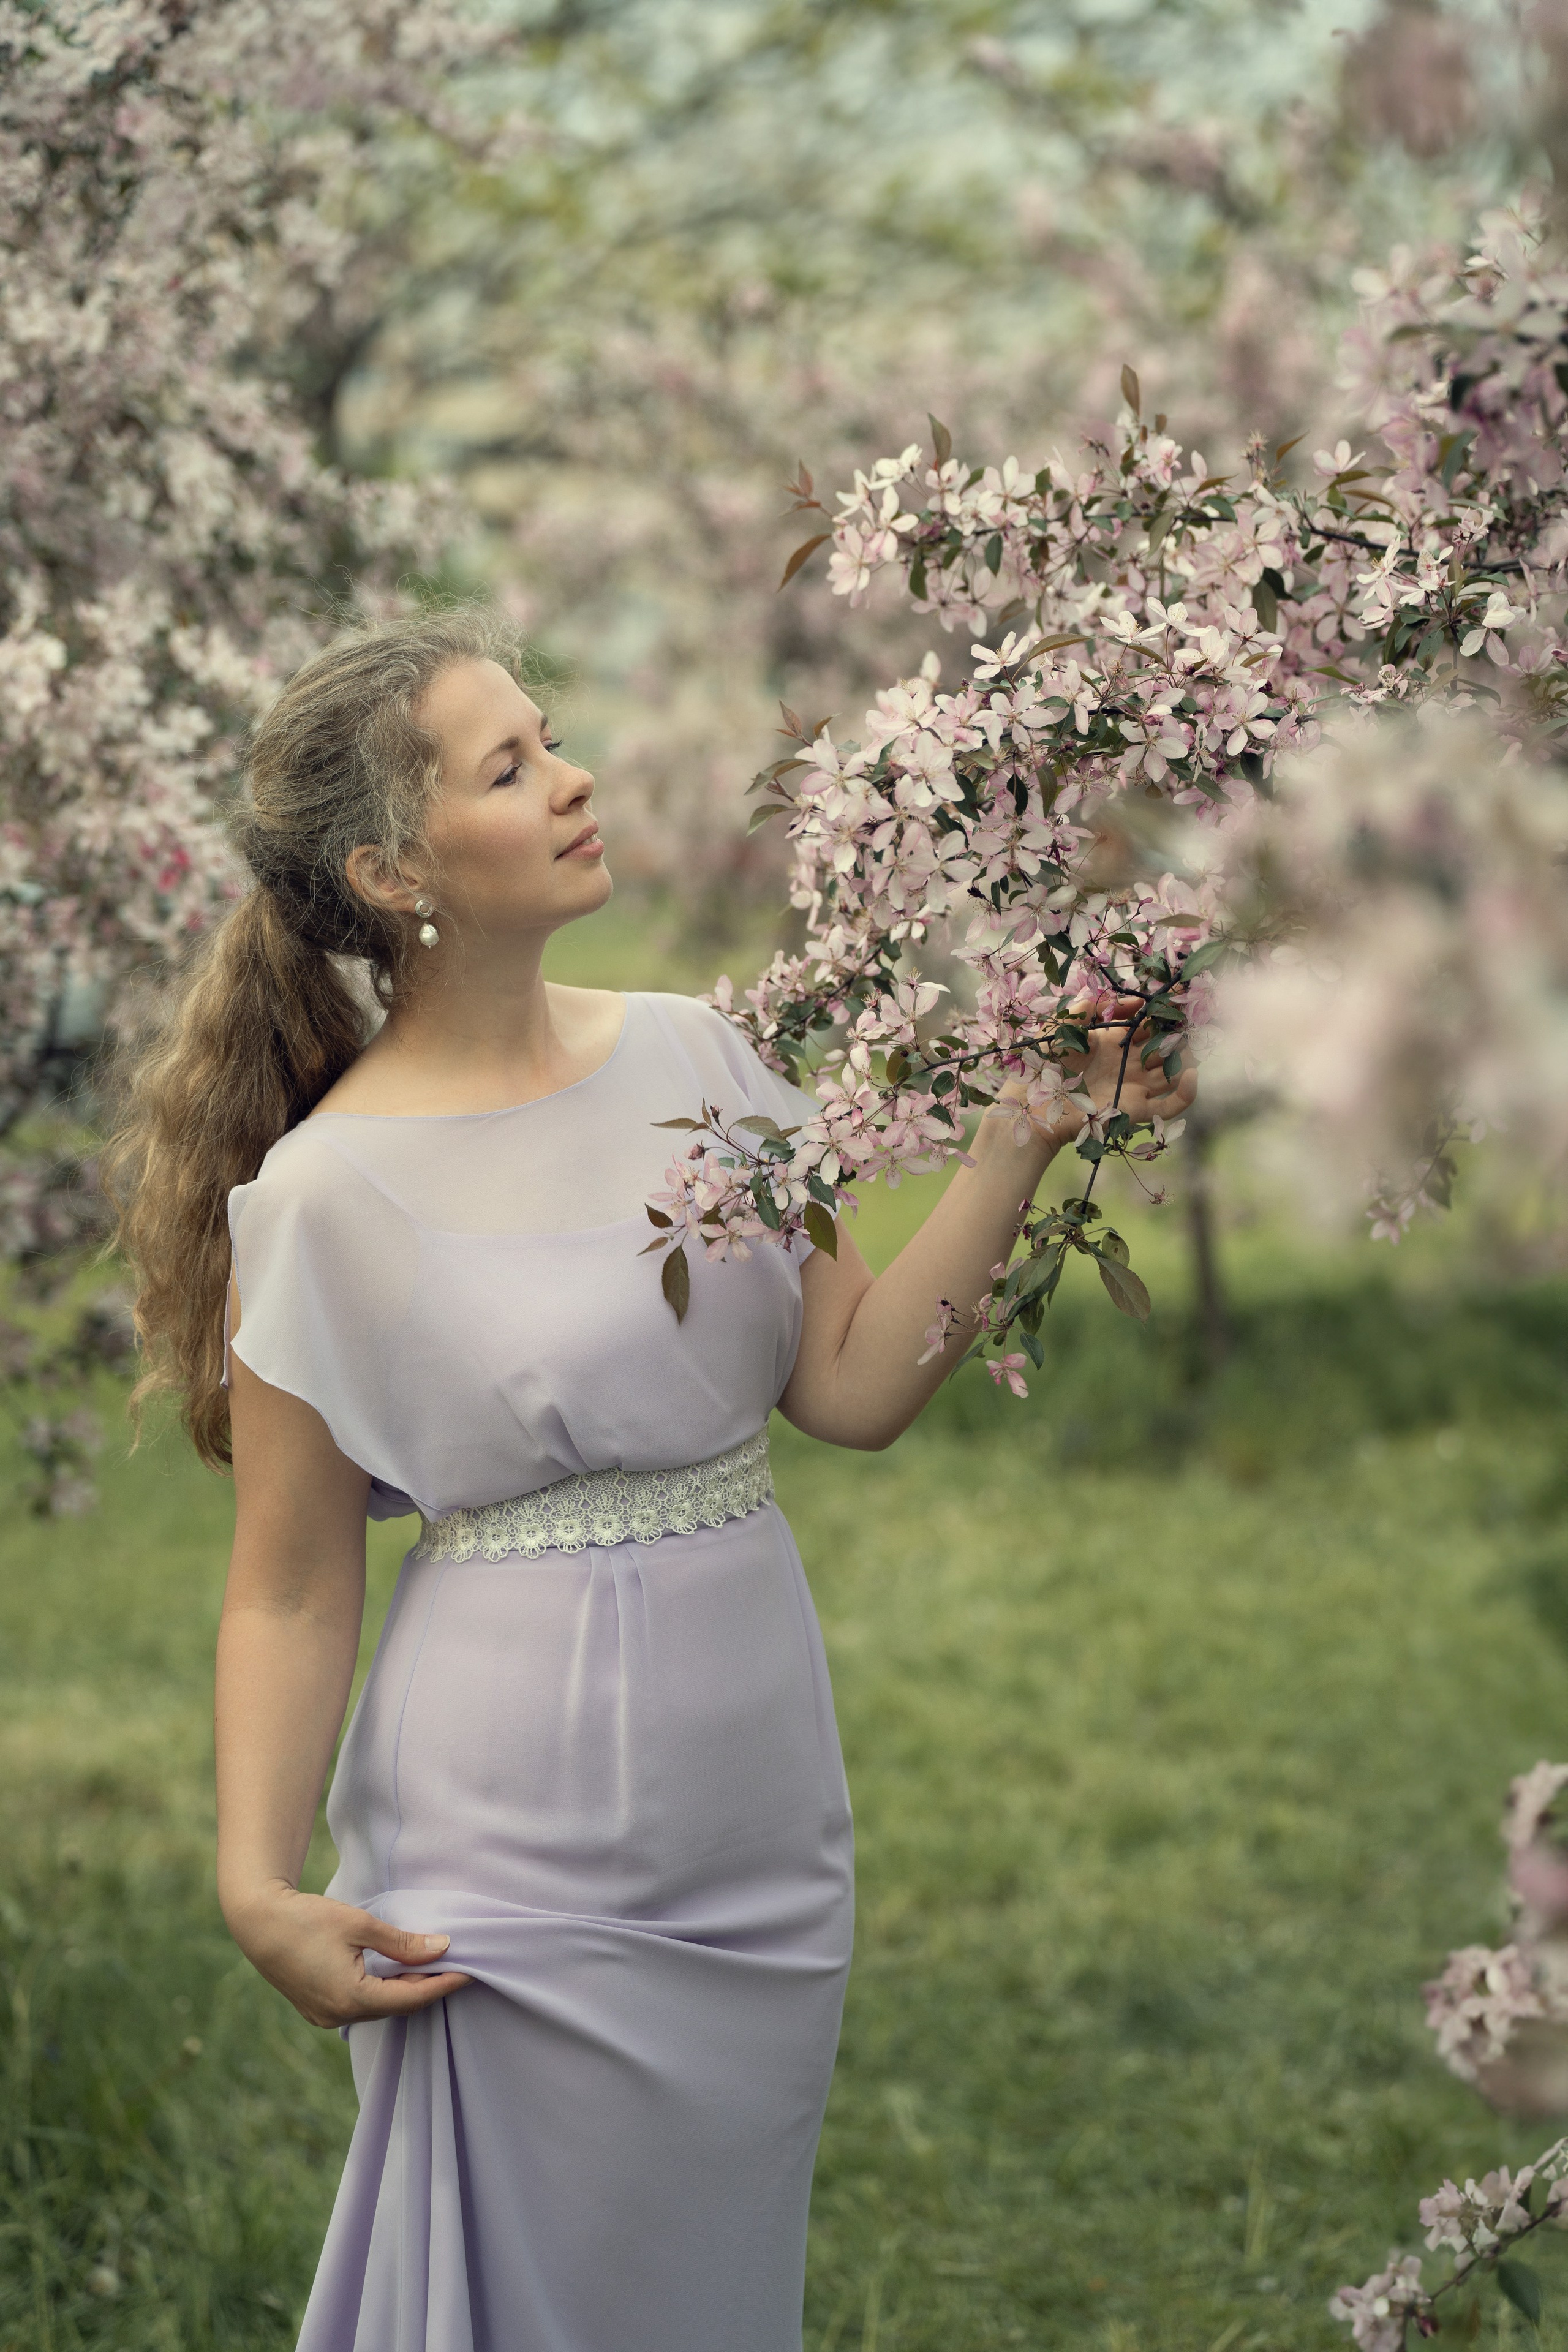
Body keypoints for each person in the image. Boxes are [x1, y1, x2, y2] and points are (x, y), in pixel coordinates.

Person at [108, 609, 1195, 2352]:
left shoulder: (705, 1059)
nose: (575, 774)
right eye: (511, 763)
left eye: (553, 735)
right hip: (508, 1837)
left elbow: (846, 1382)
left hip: (760, 1810)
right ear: (395, 869)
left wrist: (1017, 1142)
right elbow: (292, 1583)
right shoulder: (317, 1201)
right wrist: (258, 1884)